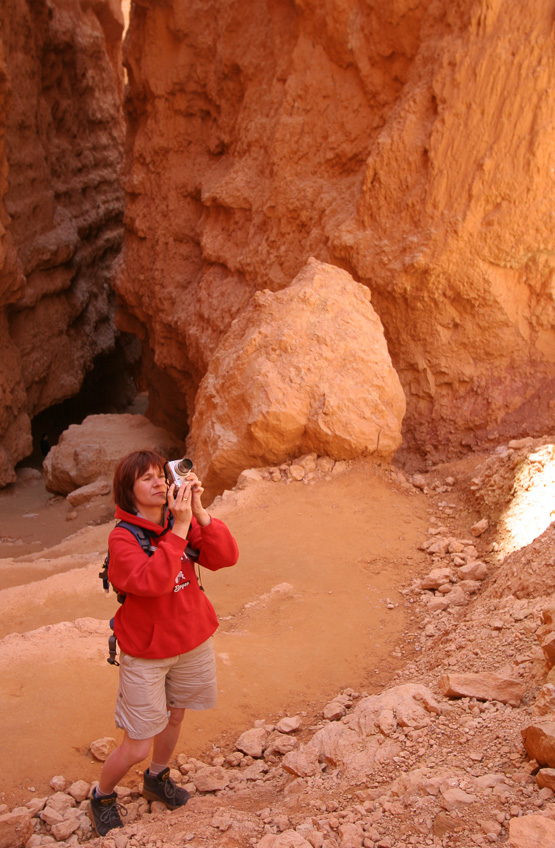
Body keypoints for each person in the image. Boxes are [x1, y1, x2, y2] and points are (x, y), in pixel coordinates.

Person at [88, 450, 239, 837]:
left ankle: (156, 780)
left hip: (190, 639)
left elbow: (226, 557)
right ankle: (102, 796)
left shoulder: (181, 521)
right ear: (128, 491)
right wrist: (180, 530)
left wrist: (200, 513)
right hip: (147, 651)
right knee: (137, 745)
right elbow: (153, 584)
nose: (159, 484)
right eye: (147, 479)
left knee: (175, 715)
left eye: (161, 476)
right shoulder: (123, 538)